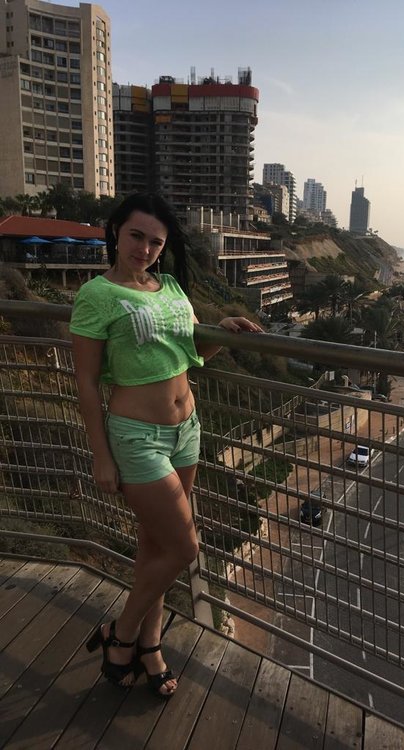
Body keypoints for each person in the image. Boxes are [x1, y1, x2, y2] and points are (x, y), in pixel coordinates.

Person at [69, 193, 262, 697]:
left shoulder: (171, 287)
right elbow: (86, 382)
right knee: (183, 546)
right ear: (116, 231)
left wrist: (221, 333)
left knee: (155, 544)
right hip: (137, 437)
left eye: (156, 242)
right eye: (136, 236)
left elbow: (188, 353)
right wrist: (101, 455)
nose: (145, 249)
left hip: (185, 430)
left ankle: (149, 644)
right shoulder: (97, 295)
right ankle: (120, 634)